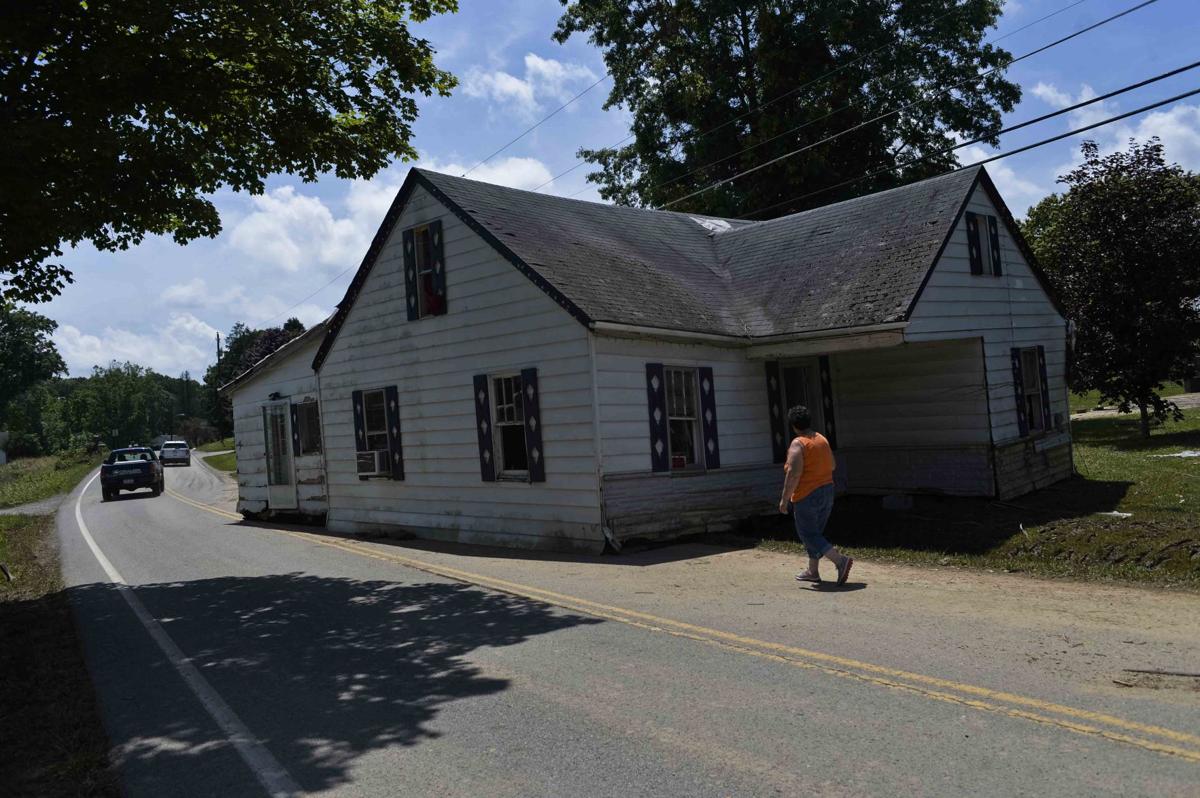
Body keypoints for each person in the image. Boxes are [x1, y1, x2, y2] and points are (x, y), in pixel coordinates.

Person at [778, 405, 853, 586]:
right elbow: (832, 465)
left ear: (794, 426)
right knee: (815, 533)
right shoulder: (821, 439)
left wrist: (784, 499)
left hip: (807, 494)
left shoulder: (799, 443)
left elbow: (793, 474)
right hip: (827, 490)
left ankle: (840, 561)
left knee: (808, 534)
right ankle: (813, 571)